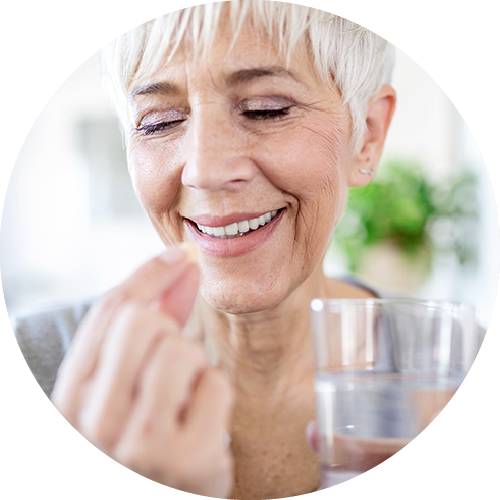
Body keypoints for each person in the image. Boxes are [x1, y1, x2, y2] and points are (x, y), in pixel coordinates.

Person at [16, 1, 397, 498]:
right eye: (159, 122)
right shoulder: (26, 366)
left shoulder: (469, 379)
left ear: (367, 135)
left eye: (266, 109)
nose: (204, 170)